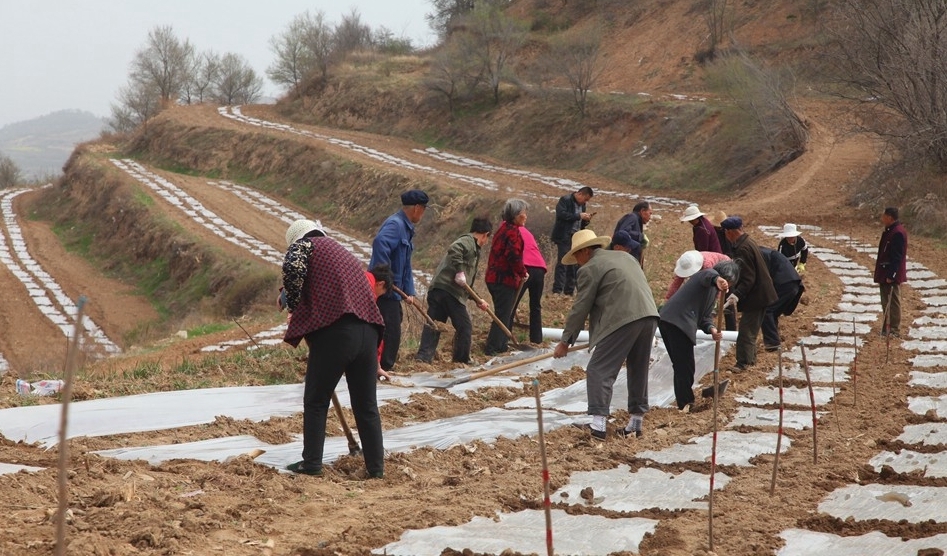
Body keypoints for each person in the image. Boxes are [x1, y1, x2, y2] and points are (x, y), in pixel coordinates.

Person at [281, 219, 386, 478]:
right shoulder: (341, 252)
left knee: (316, 400)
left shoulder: (304, 245)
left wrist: (292, 304)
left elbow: (293, 269)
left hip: (338, 332)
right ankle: (376, 469)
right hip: (369, 331)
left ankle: (312, 464)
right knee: (366, 405)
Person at [553, 229, 659, 440]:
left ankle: (598, 424)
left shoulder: (590, 268)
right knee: (638, 368)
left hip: (623, 319)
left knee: (599, 369)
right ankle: (635, 423)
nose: (576, 262)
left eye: (576, 256)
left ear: (585, 252)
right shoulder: (625, 257)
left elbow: (580, 307)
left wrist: (565, 341)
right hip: (649, 315)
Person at [659, 261, 739, 411]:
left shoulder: (713, 293)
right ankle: (686, 404)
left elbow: (705, 318)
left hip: (671, 321)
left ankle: (685, 402)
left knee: (682, 365)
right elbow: (709, 275)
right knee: (685, 366)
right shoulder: (705, 277)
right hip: (676, 321)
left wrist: (712, 329)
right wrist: (717, 279)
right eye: (727, 282)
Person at [416, 217, 492, 364]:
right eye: (488, 238)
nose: (486, 242)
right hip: (450, 292)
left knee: (434, 323)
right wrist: (459, 271)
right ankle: (461, 360)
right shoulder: (469, 242)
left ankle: (423, 357)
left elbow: (465, 283)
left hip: (439, 289)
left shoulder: (472, 247)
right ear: (485, 234)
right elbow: (454, 249)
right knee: (465, 326)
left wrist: (477, 299)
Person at [369, 189, 428, 374]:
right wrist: (385, 277)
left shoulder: (406, 228)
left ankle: (383, 366)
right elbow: (380, 243)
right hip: (385, 291)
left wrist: (409, 291)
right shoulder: (396, 225)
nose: (423, 213)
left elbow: (405, 264)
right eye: (424, 209)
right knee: (390, 331)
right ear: (417, 208)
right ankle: (383, 368)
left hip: (394, 292)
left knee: (393, 326)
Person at [720, 216, 777, 371]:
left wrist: (736, 294)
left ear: (730, 232)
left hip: (757, 295)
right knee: (750, 329)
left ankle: (743, 363)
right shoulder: (748, 241)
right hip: (761, 293)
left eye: (725, 232)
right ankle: (750, 360)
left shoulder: (742, 248)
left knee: (746, 331)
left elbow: (748, 278)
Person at [485, 199, 529, 355]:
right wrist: (523, 272)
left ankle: (501, 345)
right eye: (524, 213)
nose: (526, 216)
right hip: (503, 280)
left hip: (493, 278)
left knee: (503, 312)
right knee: (503, 314)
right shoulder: (512, 232)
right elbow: (513, 256)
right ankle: (493, 348)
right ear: (516, 215)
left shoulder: (503, 228)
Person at [759, 247, 805, 351]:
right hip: (793, 283)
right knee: (773, 312)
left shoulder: (757, 256)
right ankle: (774, 342)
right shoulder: (762, 253)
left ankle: (773, 343)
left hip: (785, 283)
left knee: (767, 310)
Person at [551, 186, 594, 295]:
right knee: (563, 262)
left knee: (575, 263)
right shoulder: (565, 200)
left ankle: (569, 291)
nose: (585, 202)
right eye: (585, 199)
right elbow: (561, 215)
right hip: (564, 236)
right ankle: (557, 290)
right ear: (580, 194)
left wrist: (586, 219)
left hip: (576, 237)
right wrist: (578, 216)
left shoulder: (582, 205)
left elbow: (580, 223)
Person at [874, 207, 908, 337]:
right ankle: (886, 328)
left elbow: (897, 257)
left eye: (884, 216)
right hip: (885, 273)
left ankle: (894, 329)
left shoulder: (897, 233)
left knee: (892, 301)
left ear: (890, 217)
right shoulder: (890, 231)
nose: (882, 218)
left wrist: (891, 275)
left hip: (890, 274)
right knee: (885, 301)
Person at [513, 223, 547, 344]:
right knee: (535, 306)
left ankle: (503, 338)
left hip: (525, 267)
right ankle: (536, 339)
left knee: (511, 304)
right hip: (540, 268)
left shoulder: (509, 229)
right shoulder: (526, 231)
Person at [665, 250, 731, 301]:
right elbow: (676, 283)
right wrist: (668, 299)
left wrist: (714, 300)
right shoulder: (686, 262)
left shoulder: (707, 265)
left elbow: (713, 284)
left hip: (725, 267)